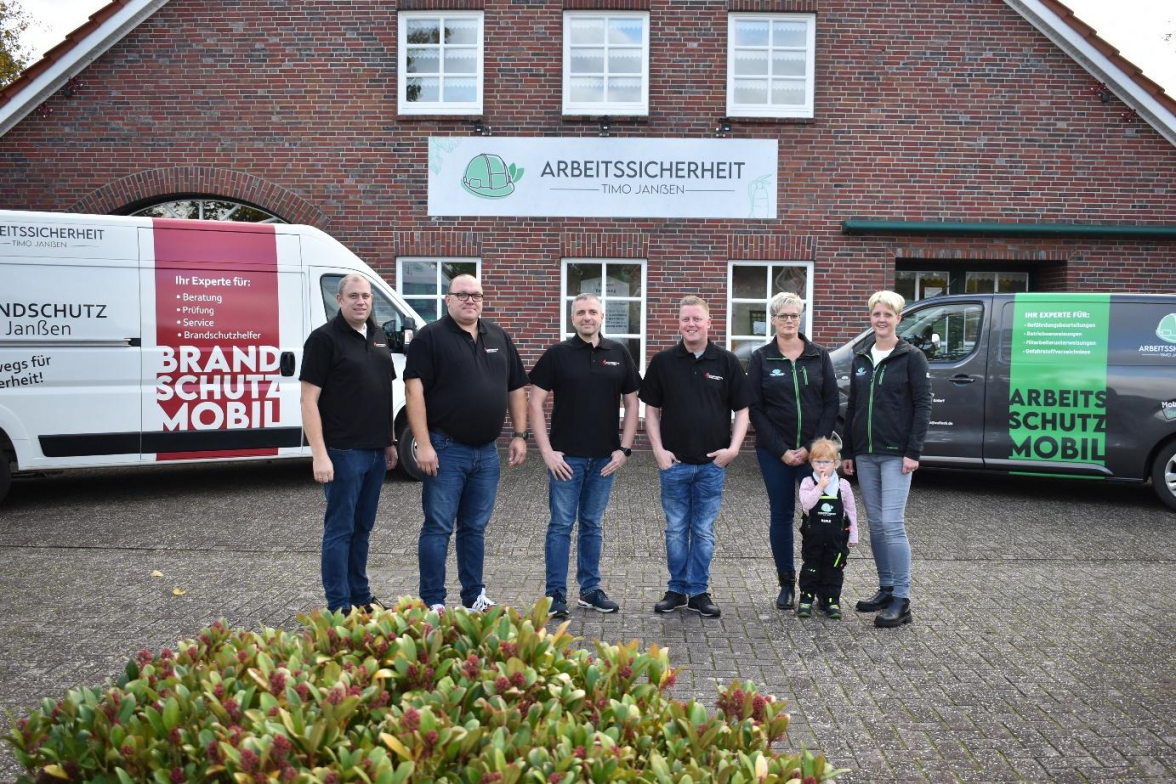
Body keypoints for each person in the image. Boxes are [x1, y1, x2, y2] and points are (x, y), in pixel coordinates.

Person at [404, 274, 528, 613]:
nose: (470, 300)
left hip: (487, 453)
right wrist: (423, 443)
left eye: (476, 295)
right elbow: (414, 393)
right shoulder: (429, 338)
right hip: (445, 449)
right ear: (448, 299)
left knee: (474, 528)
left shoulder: (498, 336)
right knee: (438, 527)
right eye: (462, 294)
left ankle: (474, 596)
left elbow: (516, 387)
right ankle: (433, 600)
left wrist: (519, 434)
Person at [529, 293, 640, 619]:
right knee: (561, 525)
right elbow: (534, 403)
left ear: (602, 316)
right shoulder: (558, 354)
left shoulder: (618, 352)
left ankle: (590, 590)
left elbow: (633, 403)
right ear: (573, 318)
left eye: (592, 312)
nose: (587, 317)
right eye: (581, 312)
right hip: (566, 460)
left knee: (592, 524)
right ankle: (555, 595)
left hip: (605, 460)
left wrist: (625, 449)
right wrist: (546, 451)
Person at [640, 295, 750, 618]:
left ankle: (699, 591)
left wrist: (733, 449)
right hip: (673, 465)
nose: (691, 324)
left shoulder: (726, 362)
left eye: (697, 319)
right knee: (675, 529)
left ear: (708, 323)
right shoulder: (663, 362)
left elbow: (742, 409)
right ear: (679, 324)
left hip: (711, 466)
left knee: (702, 530)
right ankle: (676, 589)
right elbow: (651, 409)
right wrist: (658, 450)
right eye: (686, 319)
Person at [299, 274, 398, 615]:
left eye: (366, 296)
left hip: (374, 452)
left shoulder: (378, 336)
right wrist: (320, 455)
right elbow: (308, 401)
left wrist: (390, 441)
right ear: (338, 300)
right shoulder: (324, 340)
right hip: (342, 453)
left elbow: (383, 392)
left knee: (363, 528)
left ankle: (361, 596)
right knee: (340, 529)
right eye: (353, 296)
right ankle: (339, 605)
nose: (361, 301)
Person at [842, 290, 932, 628]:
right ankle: (886, 587)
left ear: (899, 318)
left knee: (893, 524)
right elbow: (853, 408)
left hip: (897, 454)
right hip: (865, 454)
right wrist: (849, 451)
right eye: (876, 314)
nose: (881, 319)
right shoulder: (861, 357)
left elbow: (923, 406)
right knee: (876, 524)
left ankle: (902, 600)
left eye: (888, 314)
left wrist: (913, 451)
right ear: (871, 317)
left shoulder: (912, 357)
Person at [746, 292, 838, 611]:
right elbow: (755, 409)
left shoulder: (818, 356)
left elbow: (831, 404)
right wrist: (783, 450)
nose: (789, 321)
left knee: (820, 517)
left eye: (794, 316)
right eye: (783, 316)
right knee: (782, 516)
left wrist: (810, 448)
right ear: (772, 319)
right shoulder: (761, 358)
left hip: (814, 456)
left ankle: (820, 586)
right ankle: (787, 583)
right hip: (775, 455)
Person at [796, 437, 858, 619]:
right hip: (813, 537)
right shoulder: (808, 482)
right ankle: (806, 599)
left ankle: (831, 600)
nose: (822, 466)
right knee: (811, 568)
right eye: (817, 462)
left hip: (836, 538)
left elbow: (851, 511)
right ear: (811, 462)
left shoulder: (843, 485)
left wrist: (853, 534)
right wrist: (820, 487)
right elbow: (806, 504)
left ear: (835, 463)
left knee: (834, 569)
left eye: (826, 462)